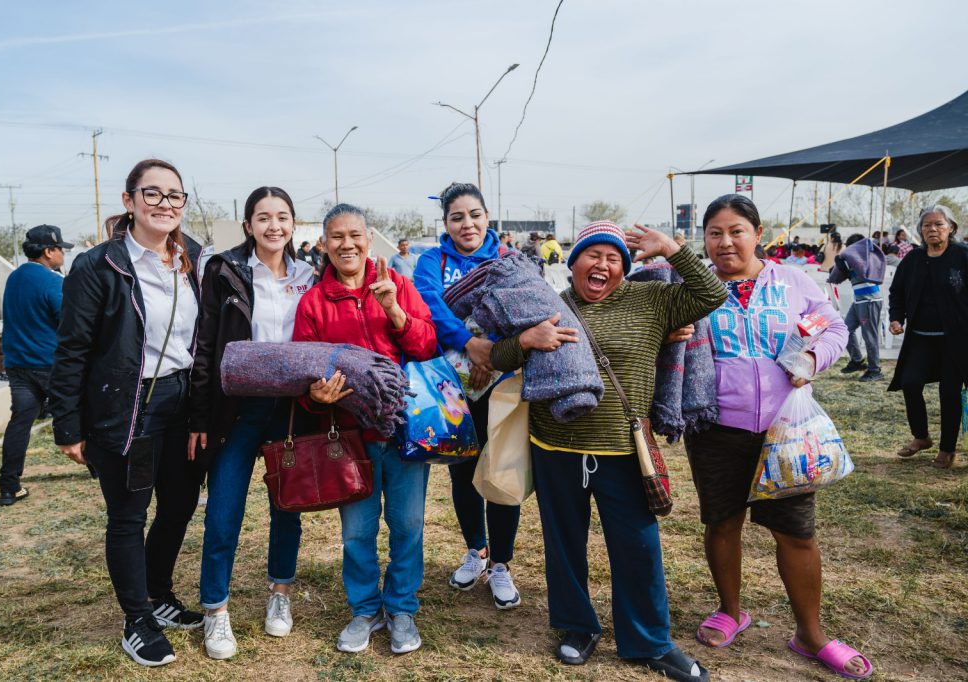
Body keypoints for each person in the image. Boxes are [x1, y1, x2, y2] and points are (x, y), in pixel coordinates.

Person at [491, 220, 725, 680]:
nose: (601, 265)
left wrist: (672, 249)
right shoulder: (549, 307)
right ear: (572, 262)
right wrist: (525, 340)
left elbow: (711, 293)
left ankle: (650, 642)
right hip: (554, 447)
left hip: (623, 449)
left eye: (613, 258)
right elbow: (498, 356)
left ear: (624, 268)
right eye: (592, 255)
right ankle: (577, 626)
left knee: (638, 546)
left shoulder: (653, 301)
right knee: (563, 544)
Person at [684, 194, 871, 680]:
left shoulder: (792, 281)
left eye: (736, 231)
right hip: (715, 428)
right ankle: (731, 609)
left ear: (757, 233)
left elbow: (832, 328)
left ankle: (810, 633)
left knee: (796, 531)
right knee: (723, 523)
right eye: (715, 233)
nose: (725, 242)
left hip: (784, 432)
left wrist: (812, 361)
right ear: (703, 240)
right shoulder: (692, 285)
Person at [50, 159, 205, 667]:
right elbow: (72, 348)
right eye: (153, 194)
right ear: (129, 200)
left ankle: (158, 594)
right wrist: (68, 425)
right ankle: (136, 618)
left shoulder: (193, 258)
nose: (164, 205)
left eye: (174, 196)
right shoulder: (99, 265)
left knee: (180, 505)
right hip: (130, 405)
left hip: (183, 400)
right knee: (129, 515)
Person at [293, 203, 437, 655]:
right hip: (348, 437)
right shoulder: (314, 302)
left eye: (355, 235)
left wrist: (394, 310)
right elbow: (301, 371)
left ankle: (400, 607)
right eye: (336, 237)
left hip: (403, 430)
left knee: (408, 524)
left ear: (369, 239)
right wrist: (314, 396)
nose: (347, 244)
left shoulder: (397, 285)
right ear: (324, 244)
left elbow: (427, 343)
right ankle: (364, 608)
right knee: (357, 531)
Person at [188, 186, 316, 660]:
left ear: (293, 223)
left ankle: (279, 594)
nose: (274, 226)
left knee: (288, 508)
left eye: (283, 217)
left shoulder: (309, 274)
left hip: (292, 408)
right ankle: (216, 611)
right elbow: (205, 345)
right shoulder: (224, 272)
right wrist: (201, 413)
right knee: (224, 512)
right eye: (263, 218)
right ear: (248, 225)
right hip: (238, 408)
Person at [413, 183, 523, 610]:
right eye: (457, 217)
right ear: (445, 223)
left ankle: (501, 564)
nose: (467, 224)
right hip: (451, 385)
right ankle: (475, 550)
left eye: (474, 214)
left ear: (487, 216)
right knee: (462, 470)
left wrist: (491, 352)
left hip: (503, 382)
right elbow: (429, 306)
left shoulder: (507, 259)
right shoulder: (431, 261)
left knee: (501, 471)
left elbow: (523, 307)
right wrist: (466, 342)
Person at [889, 205, 968, 469]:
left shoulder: (962, 255)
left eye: (939, 224)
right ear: (921, 231)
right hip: (921, 337)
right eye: (927, 225)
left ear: (951, 228)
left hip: (955, 340)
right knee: (910, 383)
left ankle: (947, 450)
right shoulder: (913, 259)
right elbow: (896, 291)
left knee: (949, 392)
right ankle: (921, 437)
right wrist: (896, 317)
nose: (932, 229)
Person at [0, 224, 70, 506]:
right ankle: (97, 469)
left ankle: (8, 486)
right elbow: (69, 322)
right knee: (77, 415)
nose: (63, 254)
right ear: (48, 252)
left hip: (17, 364)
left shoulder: (14, 278)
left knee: (20, 422)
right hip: (49, 363)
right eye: (60, 249)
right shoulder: (52, 281)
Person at [830, 233, 886, 382]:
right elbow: (838, 273)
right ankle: (857, 360)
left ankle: (875, 370)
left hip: (869, 301)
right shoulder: (855, 260)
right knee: (845, 329)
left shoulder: (864, 259)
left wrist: (839, 263)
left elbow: (837, 271)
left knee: (869, 336)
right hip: (860, 301)